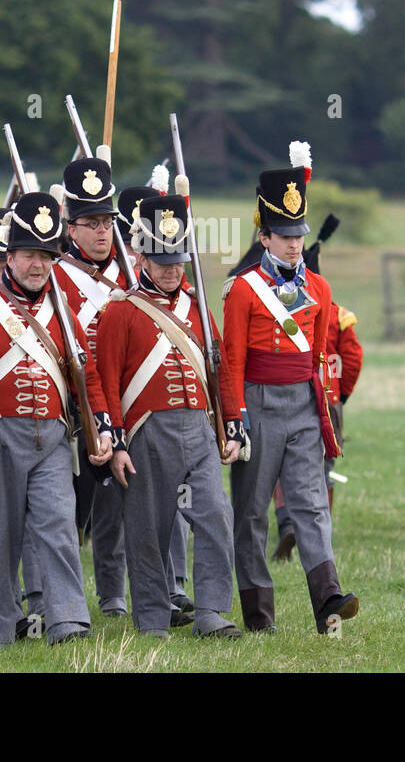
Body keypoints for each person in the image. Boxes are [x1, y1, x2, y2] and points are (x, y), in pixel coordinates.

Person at [0, 191, 114, 649]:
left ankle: (68, 622)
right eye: (30, 255)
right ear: (9, 257)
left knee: (58, 525)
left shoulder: (64, 314)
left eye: (46, 256)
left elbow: (87, 377)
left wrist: (103, 426)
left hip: (53, 436)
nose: (38, 265)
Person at [222, 142, 358, 634]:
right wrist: (235, 418)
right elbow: (232, 360)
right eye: (282, 235)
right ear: (263, 236)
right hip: (256, 405)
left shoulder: (319, 290)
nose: (293, 244)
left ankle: (328, 602)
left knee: (311, 505)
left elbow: (319, 354)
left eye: (296, 234)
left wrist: (322, 408)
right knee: (252, 515)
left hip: (302, 404)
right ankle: (259, 617)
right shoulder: (242, 289)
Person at [98, 192, 241, 638]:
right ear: (141, 256)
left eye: (178, 260)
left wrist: (231, 421)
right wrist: (116, 440)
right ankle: (153, 617)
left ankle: (211, 611)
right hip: (146, 432)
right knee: (148, 528)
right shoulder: (121, 310)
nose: (172, 269)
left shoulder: (197, 307)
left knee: (215, 514)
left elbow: (220, 367)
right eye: (162, 261)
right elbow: (105, 381)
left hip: (198, 426)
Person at [52, 153, 131, 617]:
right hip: (70, 405)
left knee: (115, 503)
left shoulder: (129, 274)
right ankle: (54, 595)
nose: (102, 231)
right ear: (71, 227)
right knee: (66, 509)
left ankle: (113, 593)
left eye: (107, 221)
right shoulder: (54, 273)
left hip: (120, 402)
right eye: (91, 222)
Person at [273, 239, 363, 562]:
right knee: (324, 469)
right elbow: (352, 359)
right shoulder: (339, 315)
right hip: (329, 401)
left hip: (286, 395)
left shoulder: (281, 308)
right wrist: (343, 395)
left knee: (282, 468)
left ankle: (287, 525)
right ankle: (321, 527)